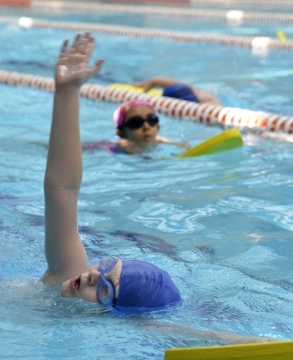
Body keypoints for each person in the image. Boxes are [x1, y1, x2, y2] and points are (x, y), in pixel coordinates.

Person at [41, 33, 182, 314]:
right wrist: (67, 93)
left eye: (105, 289)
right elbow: (62, 190)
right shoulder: (68, 273)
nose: (93, 275)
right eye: (105, 267)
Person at [133, 77, 221, 106]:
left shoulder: (208, 102)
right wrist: (154, 81)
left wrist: (155, 81)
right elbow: (185, 86)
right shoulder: (203, 96)